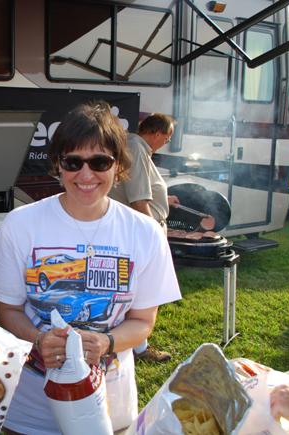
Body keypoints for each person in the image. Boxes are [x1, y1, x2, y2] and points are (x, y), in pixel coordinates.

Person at [0, 101, 181, 434]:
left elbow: (143, 322)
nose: (86, 175)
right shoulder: (21, 224)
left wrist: (107, 342)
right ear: (58, 166)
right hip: (31, 411)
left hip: (109, 409)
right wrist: (38, 339)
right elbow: (7, 310)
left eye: (100, 161)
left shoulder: (144, 232)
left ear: (118, 167)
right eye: (73, 162)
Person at [109, 112, 179, 363]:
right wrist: (153, 234)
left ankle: (136, 344)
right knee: (141, 291)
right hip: (139, 231)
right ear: (158, 133)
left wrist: (164, 199)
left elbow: (142, 189)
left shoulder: (135, 147)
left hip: (133, 229)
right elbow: (138, 197)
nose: (166, 143)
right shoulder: (137, 147)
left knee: (135, 288)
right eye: (167, 138)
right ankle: (138, 347)